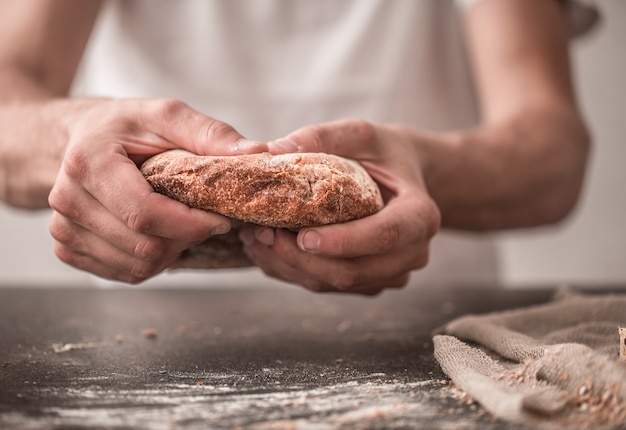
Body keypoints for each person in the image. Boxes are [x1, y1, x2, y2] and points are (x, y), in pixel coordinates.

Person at [0, 0, 596, 295]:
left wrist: (422, 168)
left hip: (425, 325)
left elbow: (552, 148)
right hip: (136, 328)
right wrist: (72, 136)